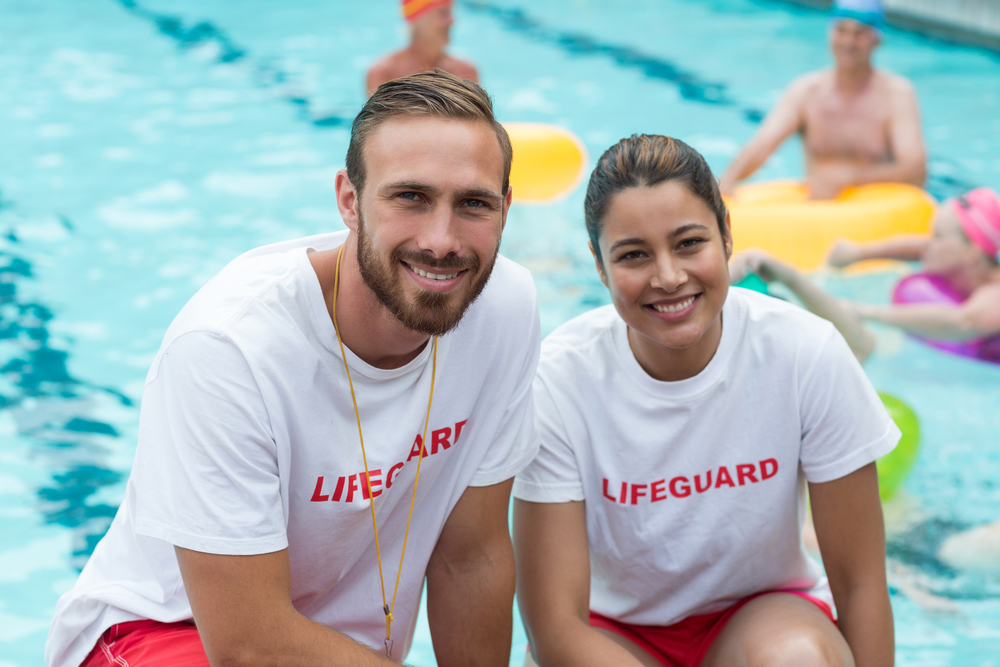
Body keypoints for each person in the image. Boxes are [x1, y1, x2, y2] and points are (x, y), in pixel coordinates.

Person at [45, 71, 540, 667]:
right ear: (350, 200)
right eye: (410, 197)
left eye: (474, 204)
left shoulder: (504, 309)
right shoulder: (230, 349)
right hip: (167, 632)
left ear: (506, 209)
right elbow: (248, 645)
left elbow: (472, 555)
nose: (441, 240)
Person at [514, 135, 898, 667]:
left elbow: (859, 585)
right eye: (633, 255)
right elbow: (554, 625)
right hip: (613, 632)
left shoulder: (804, 353)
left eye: (689, 243)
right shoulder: (557, 382)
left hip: (761, 614)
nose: (668, 277)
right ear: (599, 266)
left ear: (726, 236)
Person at [730, 187, 1000, 363]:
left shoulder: (994, 295)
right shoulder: (960, 255)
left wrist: (868, 312)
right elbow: (920, 248)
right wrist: (859, 253)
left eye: (938, 237)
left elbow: (962, 322)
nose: (929, 244)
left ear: (971, 254)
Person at [719, 0, 926, 200]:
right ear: (829, 32)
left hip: (876, 217)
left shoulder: (896, 94)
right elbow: (762, 145)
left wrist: (849, 178)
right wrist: (727, 181)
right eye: (841, 30)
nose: (848, 41)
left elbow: (916, 171)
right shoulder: (806, 91)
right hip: (820, 216)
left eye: (859, 33)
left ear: (877, 39)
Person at [367, 0, 478, 95]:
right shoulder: (383, 73)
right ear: (417, 20)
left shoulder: (465, 71)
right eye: (443, 13)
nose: (452, 21)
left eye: (450, 13)